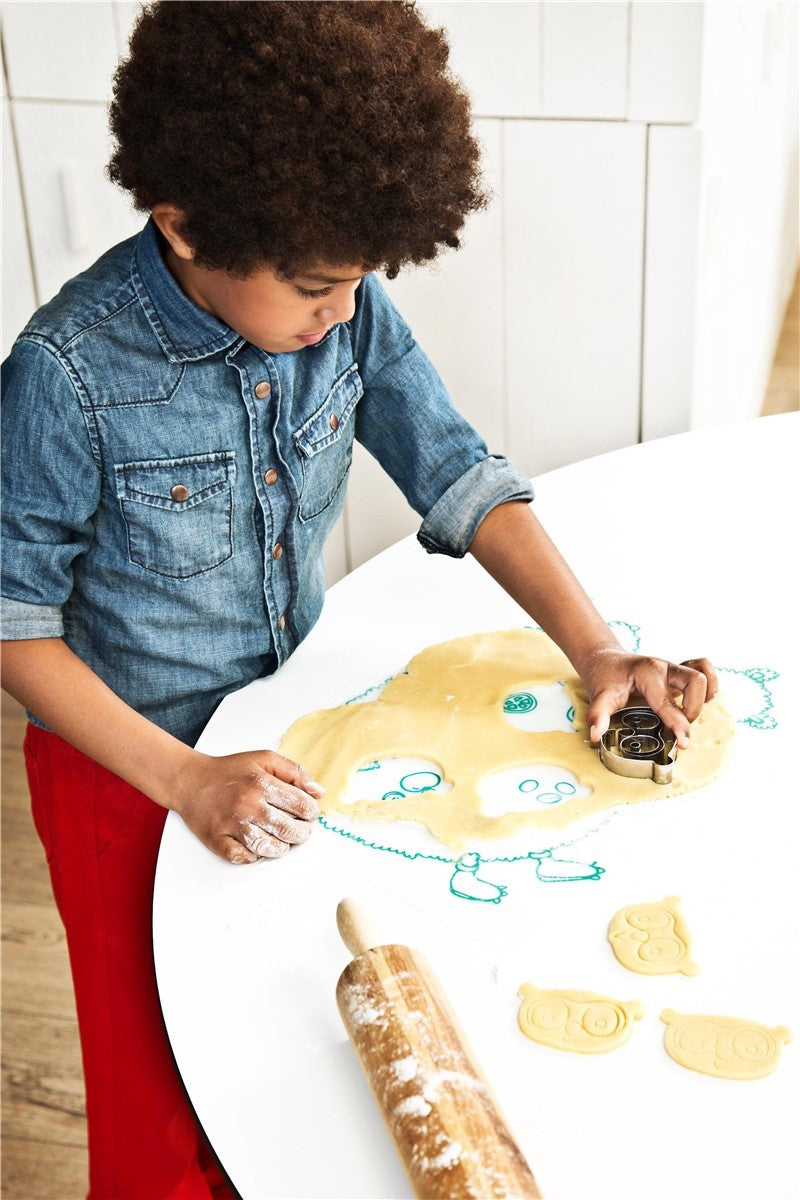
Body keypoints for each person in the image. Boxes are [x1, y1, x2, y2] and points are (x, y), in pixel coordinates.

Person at [0, 4, 717, 1197]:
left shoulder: (345, 312)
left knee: (273, 1065)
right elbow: (11, 624)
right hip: (124, 772)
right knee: (158, 1097)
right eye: (314, 287)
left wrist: (596, 649)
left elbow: (458, 472)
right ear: (182, 225)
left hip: (284, 733)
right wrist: (185, 780)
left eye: (357, 283)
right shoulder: (65, 373)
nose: (340, 312)